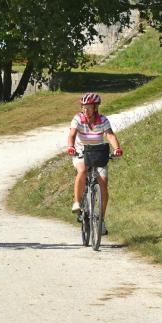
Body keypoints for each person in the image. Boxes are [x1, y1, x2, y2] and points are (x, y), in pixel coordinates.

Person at [66, 93, 123, 226]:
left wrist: (117, 148)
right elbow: (72, 134)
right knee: (82, 170)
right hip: (81, 152)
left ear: (95, 108)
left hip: (98, 153)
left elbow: (110, 135)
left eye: (89, 107)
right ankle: (77, 203)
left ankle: (101, 220)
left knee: (103, 184)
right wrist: (70, 146)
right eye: (83, 107)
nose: (85, 110)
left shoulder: (102, 119)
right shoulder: (78, 118)